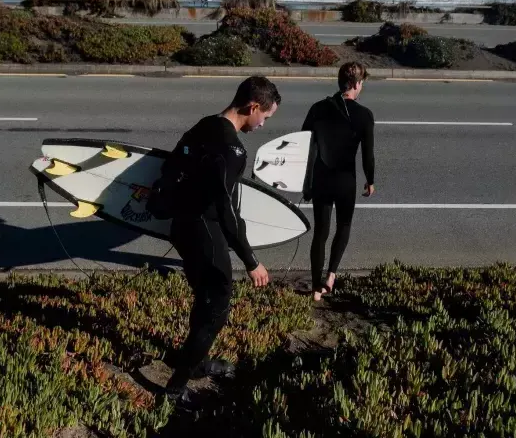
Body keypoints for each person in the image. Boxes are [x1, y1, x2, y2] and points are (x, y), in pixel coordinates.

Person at [161, 75, 280, 405]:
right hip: (204, 231)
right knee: (216, 307)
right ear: (252, 107)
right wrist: (251, 260)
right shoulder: (233, 149)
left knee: (205, 300)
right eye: (265, 117)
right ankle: (175, 388)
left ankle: (196, 362)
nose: (262, 125)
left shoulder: (206, 124)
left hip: (183, 226)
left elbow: (173, 166)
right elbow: (226, 210)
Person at [301, 62, 375, 302]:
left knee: (320, 233)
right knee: (344, 226)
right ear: (355, 84)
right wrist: (370, 180)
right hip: (345, 179)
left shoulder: (318, 108)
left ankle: (315, 288)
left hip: (321, 178)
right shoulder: (364, 115)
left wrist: (305, 180)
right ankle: (331, 275)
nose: (362, 86)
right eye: (362, 82)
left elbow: (303, 143)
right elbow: (368, 154)